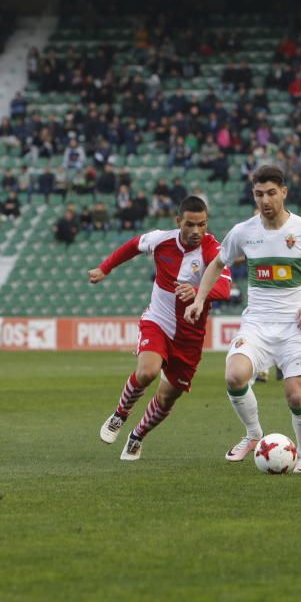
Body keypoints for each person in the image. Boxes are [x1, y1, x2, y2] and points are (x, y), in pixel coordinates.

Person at [185, 165, 301, 474]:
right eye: (259, 194)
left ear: (284, 192)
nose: (265, 200)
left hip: (295, 326)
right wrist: (199, 299)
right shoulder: (244, 231)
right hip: (257, 323)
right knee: (234, 376)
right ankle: (254, 434)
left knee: (296, 394)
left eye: (271, 193)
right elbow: (217, 264)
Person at [91, 196, 232, 461]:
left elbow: (225, 288)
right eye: (190, 224)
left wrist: (198, 292)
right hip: (158, 320)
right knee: (147, 372)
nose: (196, 231)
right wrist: (105, 268)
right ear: (178, 221)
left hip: (190, 337)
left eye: (202, 225)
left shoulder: (213, 250)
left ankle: (137, 436)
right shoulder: (160, 240)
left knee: (167, 398)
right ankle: (119, 416)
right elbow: (133, 245)